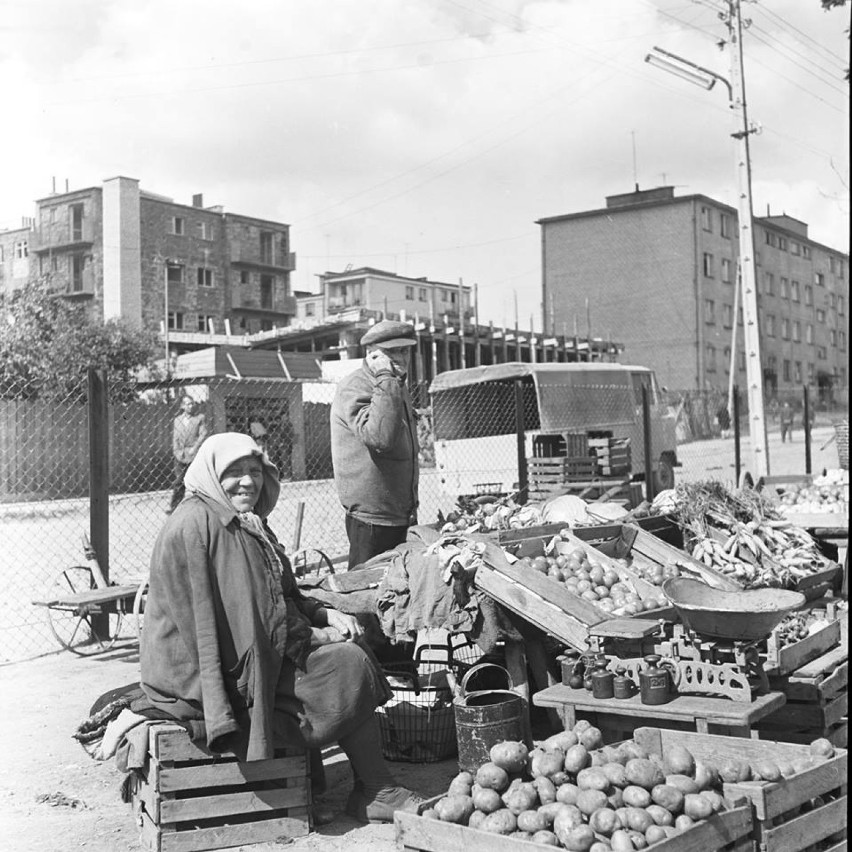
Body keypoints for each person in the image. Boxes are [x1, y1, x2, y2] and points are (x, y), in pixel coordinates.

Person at [140, 432, 422, 824]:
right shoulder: (202, 526)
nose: (248, 482)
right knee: (346, 664)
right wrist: (315, 637)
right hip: (202, 674)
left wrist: (323, 615)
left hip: (239, 651)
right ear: (209, 475)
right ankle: (376, 790)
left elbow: (278, 595)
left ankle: (366, 788)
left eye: (254, 471)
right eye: (233, 473)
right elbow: (248, 621)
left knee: (348, 649)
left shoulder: (244, 523)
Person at [331, 320, 420, 570]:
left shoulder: (392, 384)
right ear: (373, 354)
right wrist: (384, 376)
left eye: (405, 350)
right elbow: (380, 438)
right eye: (393, 352)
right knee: (366, 595)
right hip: (372, 519)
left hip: (399, 513)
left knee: (399, 593)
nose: (402, 358)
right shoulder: (357, 385)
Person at [167, 395, 208, 513]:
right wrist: (177, 452)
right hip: (180, 455)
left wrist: (194, 448)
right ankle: (175, 507)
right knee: (179, 481)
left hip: (193, 454)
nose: (190, 406)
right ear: (182, 406)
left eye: (192, 403)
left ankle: (201, 506)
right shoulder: (177, 420)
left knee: (197, 481)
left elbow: (203, 434)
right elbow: (175, 438)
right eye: (188, 404)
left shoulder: (199, 418)